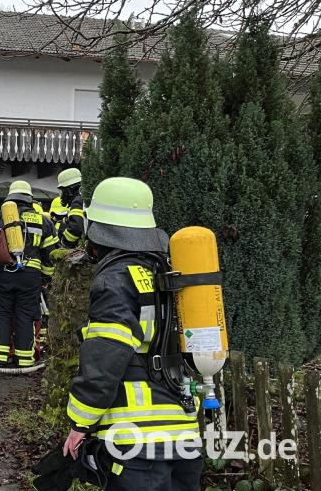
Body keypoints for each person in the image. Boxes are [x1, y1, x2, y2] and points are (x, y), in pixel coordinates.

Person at [63, 177, 202, 490]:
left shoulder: (115, 280)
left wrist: (80, 424)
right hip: (183, 435)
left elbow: (105, 358)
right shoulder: (167, 273)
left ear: (98, 229)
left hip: (136, 442)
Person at [0, 181, 57, 367]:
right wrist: (46, 278)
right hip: (30, 276)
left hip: (2, 274)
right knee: (26, 315)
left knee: (1, 314)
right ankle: (24, 359)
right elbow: (50, 254)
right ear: (29, 198)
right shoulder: (44, 220)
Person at [56, 168, 85, 249]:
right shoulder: (84, 198)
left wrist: (64, 243)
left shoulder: (77, 201)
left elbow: (76, 228)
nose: (61, 196)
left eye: (62, 191)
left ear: (69, 190)